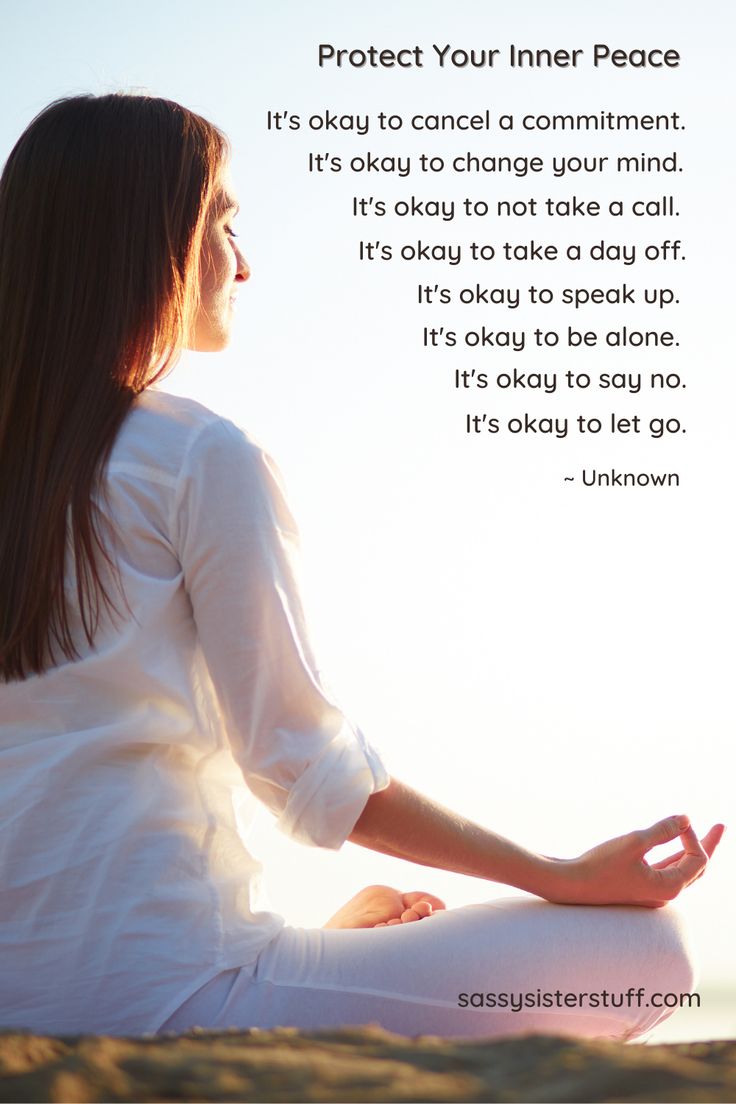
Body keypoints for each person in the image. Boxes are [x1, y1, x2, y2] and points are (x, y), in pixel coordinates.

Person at [0, 92, 724, 1043]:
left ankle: (297, 966)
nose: (244, 262)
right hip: (171, 993)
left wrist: (309, 947)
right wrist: (561, 874)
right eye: (223, 222)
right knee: (649, 960)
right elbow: (304, 766)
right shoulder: (197, 456)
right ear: (153, 239)